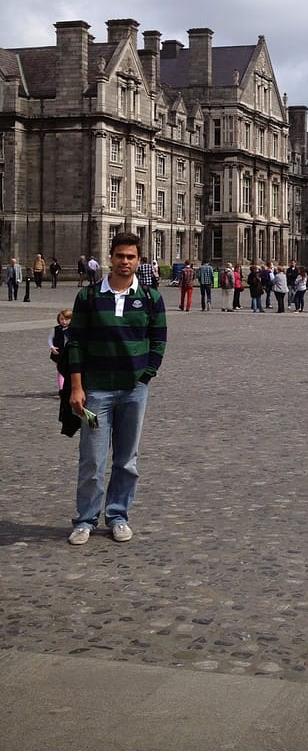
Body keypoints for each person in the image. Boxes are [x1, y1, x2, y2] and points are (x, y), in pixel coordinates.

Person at [65, 231, 167, 545]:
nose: (125, 262)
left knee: (126, 460)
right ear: (111, 257)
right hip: (96, 391)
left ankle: (118, 515)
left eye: (131, 257)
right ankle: (85, 520)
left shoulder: (150, 297)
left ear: (139, 260)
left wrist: (145, 375)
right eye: (120, 256)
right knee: (92, 460)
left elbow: (159, 340)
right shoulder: (89, 296)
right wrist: (76, 387)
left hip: (134, 390)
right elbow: (76, 343)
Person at [49, 307, 73, 391]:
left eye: (67, 319)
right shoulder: (56, 329)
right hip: (58, 353)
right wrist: (52, 346)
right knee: (60, 370)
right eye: (62, 319)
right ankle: (61, 389)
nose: (64, 321)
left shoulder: (73, 329)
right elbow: (50, 339)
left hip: (70, 352)